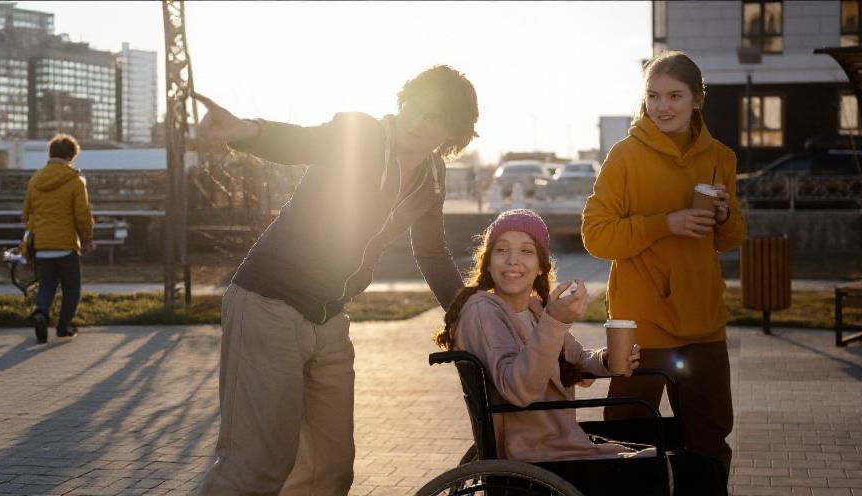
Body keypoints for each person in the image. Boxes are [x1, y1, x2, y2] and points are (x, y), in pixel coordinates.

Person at [192, 66, 477, 495]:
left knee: (329, 472)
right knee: (256, 468)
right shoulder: (363, 134)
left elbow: (432, 252)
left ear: (451, 130)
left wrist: (471, 311)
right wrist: (246, 130)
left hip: (329, 320)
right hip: (268, 302)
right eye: (416, 106)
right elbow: (305, 141)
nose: (419, 122)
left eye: (435, 117)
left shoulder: (431, 178)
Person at [582, 50, 747, 492]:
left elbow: (729, 240)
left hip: (705, 325)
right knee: (625, 441)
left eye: (675, 95)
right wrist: (664, 224)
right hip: (642, 327)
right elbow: (596, 236)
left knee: (709, 442)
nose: (663, 106)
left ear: (697, 99)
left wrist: (725, 214)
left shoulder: (720, 158)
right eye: (654, 96)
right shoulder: (625, 157)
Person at [431, 209, 641, 462]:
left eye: (526, 251)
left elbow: (577, 357)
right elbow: (518, 389)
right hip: (536, 453)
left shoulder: (534, 309)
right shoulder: (481, 311)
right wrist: (555, 322)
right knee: (672, 466)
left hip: (561, 440)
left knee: (667, 454)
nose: (512, 260)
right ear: (487, 262)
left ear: (541, 266)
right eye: (501, 250)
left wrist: (609, 360)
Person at [22, 134, 94, 345]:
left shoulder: (36, 179)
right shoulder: (75, 180)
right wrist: (87, 239)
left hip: (42, 246)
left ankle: (41, 314)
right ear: (72, 156)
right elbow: (83, 214)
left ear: (50, 153)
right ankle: (64, 327)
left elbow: (26, 213)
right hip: (67, 246)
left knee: (46, 286)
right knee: (72, 288)